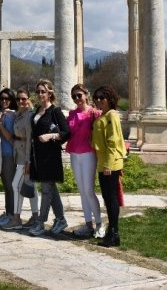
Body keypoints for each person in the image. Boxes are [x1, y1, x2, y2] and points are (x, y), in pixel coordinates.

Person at [28, 79, 71, 237]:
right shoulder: (37, 111)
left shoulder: (55, 111)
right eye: (38, 91)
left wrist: (50, 136)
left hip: (50, 156)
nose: (40, 94)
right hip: (38, 156)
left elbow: (66, 132)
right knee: (50, 188)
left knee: (46, 189)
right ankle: (60, 219)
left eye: (43, 91)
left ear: (50, 93)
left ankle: (40, 222)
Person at [66, 83, 104, 239]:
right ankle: (88, 225)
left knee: (88, 190)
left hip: (88, 153)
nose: (77, 99)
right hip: (74, 153)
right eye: (74, 96)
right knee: (81, 191)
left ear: (86, 95)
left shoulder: (95, 113)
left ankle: (100, 224)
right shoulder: (71, 113)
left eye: (79, 95)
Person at [91, 85, 125, 247]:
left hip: (109, 164)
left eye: (102, 98)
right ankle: (112, 233)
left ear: (110, 99)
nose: (98, 100)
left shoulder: (112, 115)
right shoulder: (103, 115)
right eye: (96, 97)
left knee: (111, 199)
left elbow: (113, 141)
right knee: (107, 197)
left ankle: (114, 233)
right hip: (103, 163)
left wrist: (108, 164)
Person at [2, 88, 39, 230]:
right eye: (18, 99)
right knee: (30, 186)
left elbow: (30, 139)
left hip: (26, 155)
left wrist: (29, 161)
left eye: (24, 99)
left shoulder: (29, 116)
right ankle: (35, 216)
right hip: (19, 153)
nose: (21, 101)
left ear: (29, 99)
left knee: (15, 185)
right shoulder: (19, 114)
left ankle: (17, 218)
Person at [0, 88, 18, 226]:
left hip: (9, 153)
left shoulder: (12, 115)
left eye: (7, 99)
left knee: (10, 186)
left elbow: (10, 137)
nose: (4, 101)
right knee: (6, 185)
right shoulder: (1, 114)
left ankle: (12, 214)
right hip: (1, 153)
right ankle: (8, 211)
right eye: (2, 98)